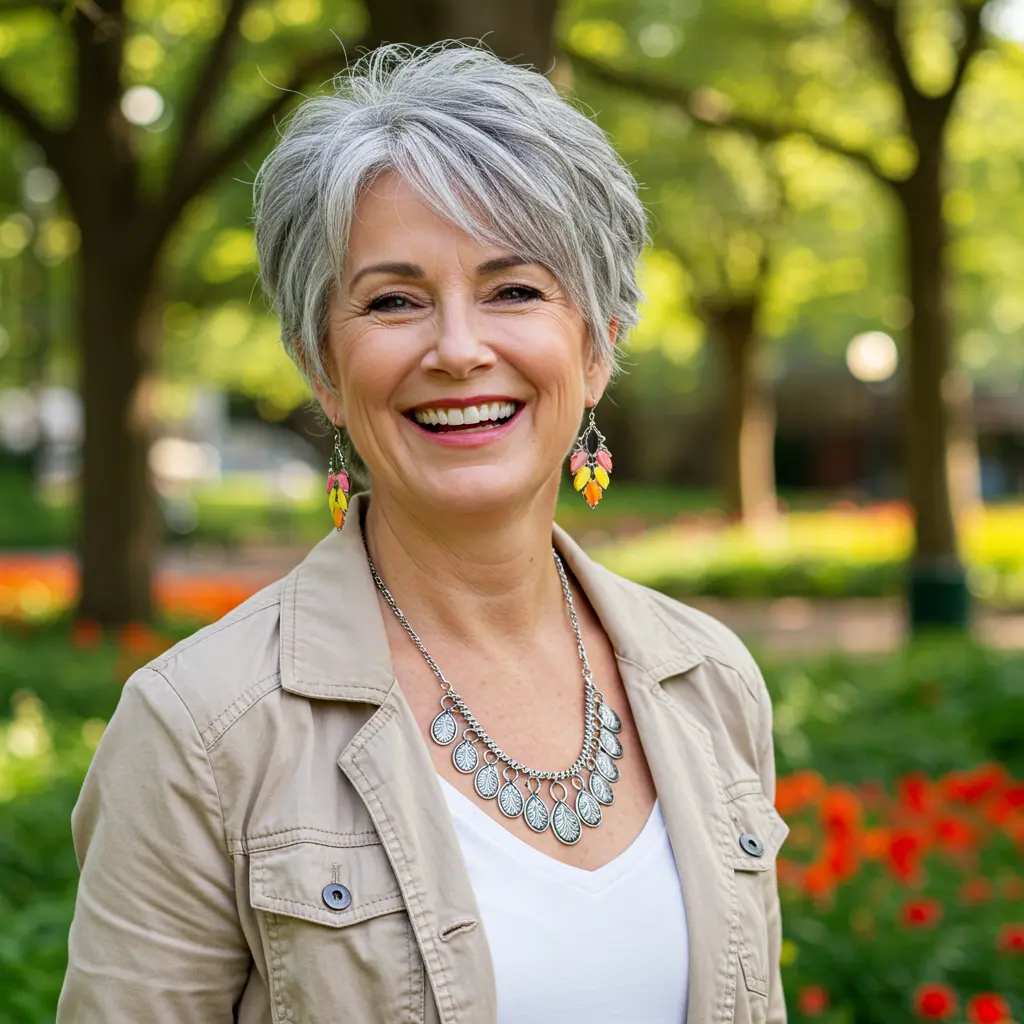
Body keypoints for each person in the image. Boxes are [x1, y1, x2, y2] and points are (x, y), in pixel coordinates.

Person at [58, 42, 789, 1024]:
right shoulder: (199, 730)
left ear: (598, 344)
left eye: (514, 289)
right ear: (324, 363)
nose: (456, 349)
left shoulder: (710, 681)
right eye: (393, 300)